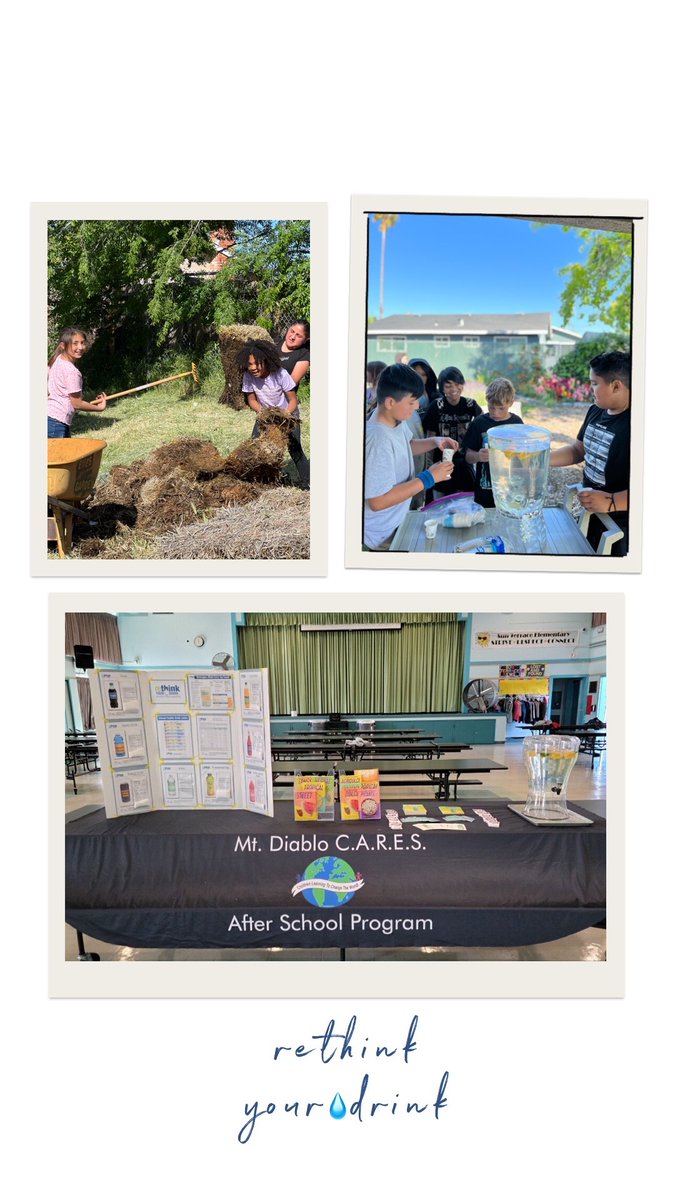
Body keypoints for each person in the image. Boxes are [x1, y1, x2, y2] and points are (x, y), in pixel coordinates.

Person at [363, 362, 458, 550]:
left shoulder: (394, 419)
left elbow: (407, 447)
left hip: (397, 523)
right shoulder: (378, 440)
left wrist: (435, 441)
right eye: (412, 401)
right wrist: (429, 477)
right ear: (391, 402)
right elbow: (377, 501)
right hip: (380, 538)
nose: (416, 406)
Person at [549, 349, 630, 555]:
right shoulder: (596, 410)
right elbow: (578, 450)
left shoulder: (637, 424)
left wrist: (612, 502)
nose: (589, 388)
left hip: (621, 527)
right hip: (591, 513)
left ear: (616, 386)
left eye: (594, 383)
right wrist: (541, 459)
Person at [237, 339, 310, 488]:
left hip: (288, 415)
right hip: (266, 415)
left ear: (266, 361)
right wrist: (264, 414)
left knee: (294, 449)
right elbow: (252, 400)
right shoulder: (248, 376)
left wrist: (282, 417)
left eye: (257, 363)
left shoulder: (280, 374)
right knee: (255, 446)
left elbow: (293, 401)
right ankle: (259, 481)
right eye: (250, 364)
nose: (253, 368)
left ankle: (309, 481)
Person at [422, 365, 483, 496]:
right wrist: (429, 466)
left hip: (464, 464)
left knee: (465, 503)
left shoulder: (470, 405)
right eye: (449, 386)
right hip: (441, 464)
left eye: (457, 384)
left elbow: (482, 428)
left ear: (462, 384)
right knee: (440, 504)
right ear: (442, 388)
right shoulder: (436, 406)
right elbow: (430, 437)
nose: (454, 389)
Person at [464, 377, 523, 507]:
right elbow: (468, 457)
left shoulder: (517, 423)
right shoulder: (479, 423)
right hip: (485, 490)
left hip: (511, 489)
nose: (495, 413)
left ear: (511, 403)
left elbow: (523, 456)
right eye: (491, 407)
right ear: (487, 401)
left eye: (501, 408)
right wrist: (478, 456)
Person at [47, 327, 107, 438]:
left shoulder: (56, 360)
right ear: (63, 346)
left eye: (82, 343)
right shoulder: (72, 372)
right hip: (57, 423)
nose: (80, 347)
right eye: (75, 343)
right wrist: (100, 408)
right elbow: (77, 403)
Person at [277, 319, 310, 388]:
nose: (292, 337)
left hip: (283, 396)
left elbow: (290, 384)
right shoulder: (275, 343)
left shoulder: (304, 355)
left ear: (305, 340)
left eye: (298, 336)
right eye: (292, 331)